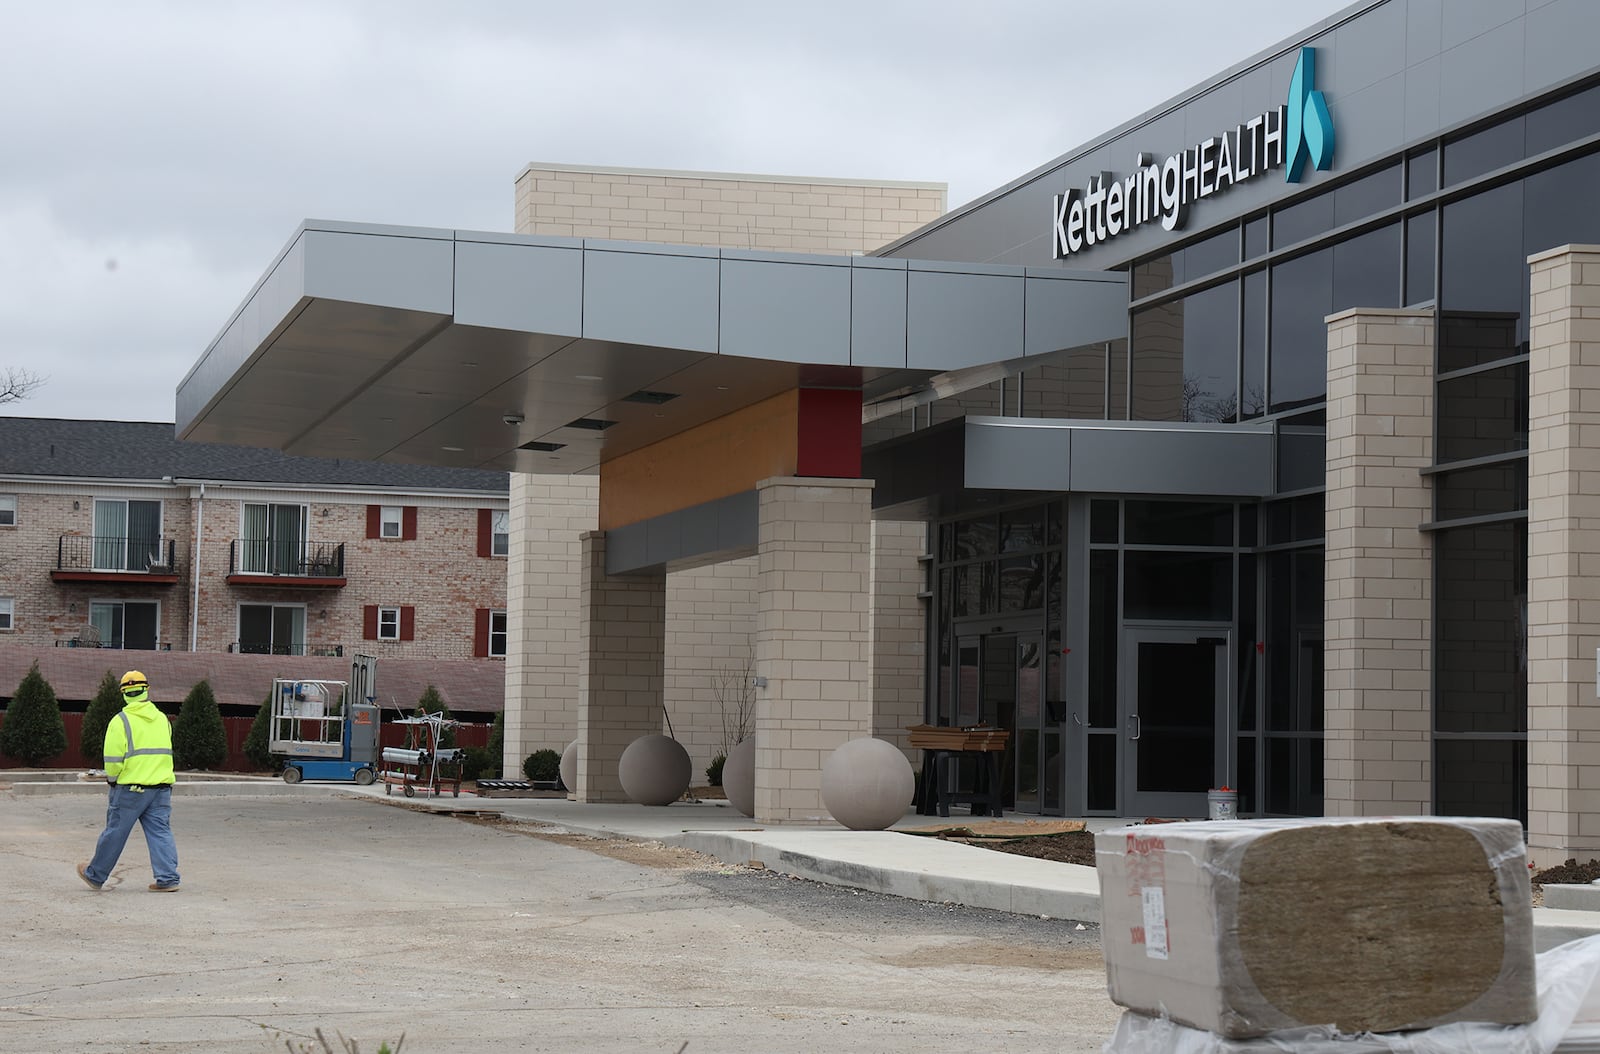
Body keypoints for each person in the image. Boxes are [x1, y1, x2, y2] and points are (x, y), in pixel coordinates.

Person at [77, 670, 181, 892]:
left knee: (116, 831)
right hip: (161, 788)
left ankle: (95, 875)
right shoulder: (162, 719)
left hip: (131, 789)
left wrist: (113, 780)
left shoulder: (120, 721)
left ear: (124, 693)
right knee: (160, 832)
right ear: (146, 690)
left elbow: (113, 760)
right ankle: (168, 878)